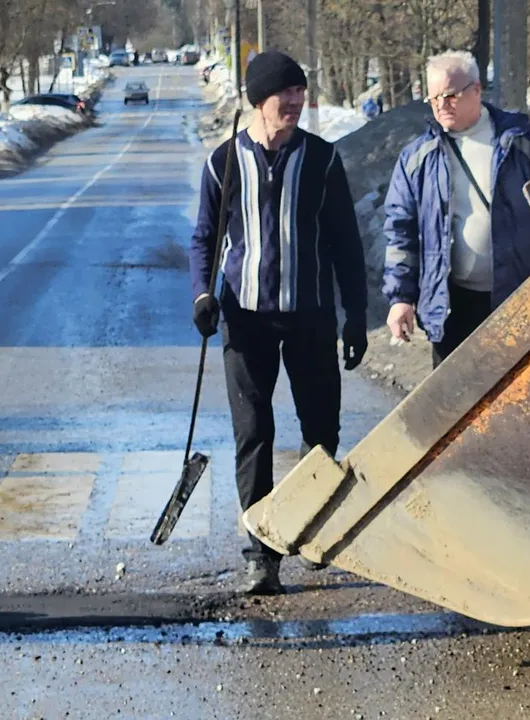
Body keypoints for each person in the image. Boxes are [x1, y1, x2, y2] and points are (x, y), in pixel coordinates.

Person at [189, 50, 369, 595]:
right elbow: (203, 238)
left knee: (321, 431)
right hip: (245, 321)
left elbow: (345, 242)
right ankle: (260, 553)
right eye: (284, 94)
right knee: (254, 435)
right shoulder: (224, 163)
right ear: (258, 100)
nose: (295, 102)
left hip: (311, 315)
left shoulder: (323, 160)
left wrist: (355, 316)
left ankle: (314, 531)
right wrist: (202, 295)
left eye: (300, 93)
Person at [383, 51, 530, 366]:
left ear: (476, 90)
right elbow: (401, 231)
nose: (441, 105)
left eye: (450, 95)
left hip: (517, 299)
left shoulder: (522, 143)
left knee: (518, 401)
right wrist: (401, 299)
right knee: (455, 403)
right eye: (434, 98)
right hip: (451, 304)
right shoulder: (418, 157)